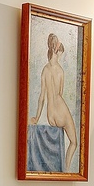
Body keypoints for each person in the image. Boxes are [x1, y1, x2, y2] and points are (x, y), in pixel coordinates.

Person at [30, 32, 79, 171]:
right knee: (74, 142)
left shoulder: (45, 70)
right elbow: (60, 93)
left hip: (50, 115)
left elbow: (42, 97)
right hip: (60, 110)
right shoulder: (60, 71)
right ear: (57, 51)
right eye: (60, 53)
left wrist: (36, 117)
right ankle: (66, 169)